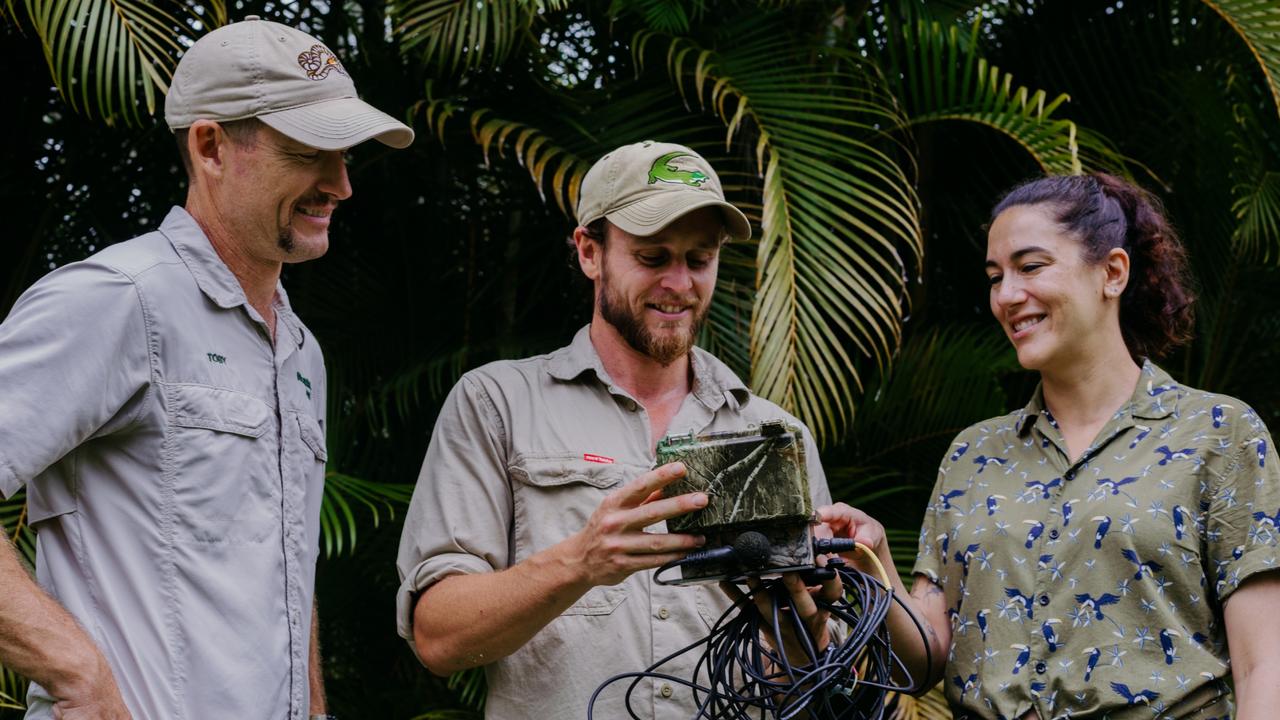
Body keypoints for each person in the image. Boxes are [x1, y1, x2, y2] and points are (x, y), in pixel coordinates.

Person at [0, 16, 412, 720]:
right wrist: (77, 673)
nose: (341, 184)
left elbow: (284, 566)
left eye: (344, 154)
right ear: (211, 146)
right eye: (311, 150)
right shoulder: (119, 299)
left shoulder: (301, 352)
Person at [395, 140, 839, 719]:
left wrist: (806, 626)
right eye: (653, 258)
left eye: (699, 259)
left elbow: (811, 681)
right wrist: (579, 562)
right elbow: (438, 639)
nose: (679, 283)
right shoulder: (497, 403)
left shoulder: (777, 434)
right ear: (589, 251)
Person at [821, 173, 1280, 719]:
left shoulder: (1219, 432)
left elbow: (1264, 665)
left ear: (1112, 273)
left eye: (1030, 267)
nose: (1007, 296)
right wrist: (873, 565)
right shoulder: (972, 455)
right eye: (995, 277)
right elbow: (921, 663)